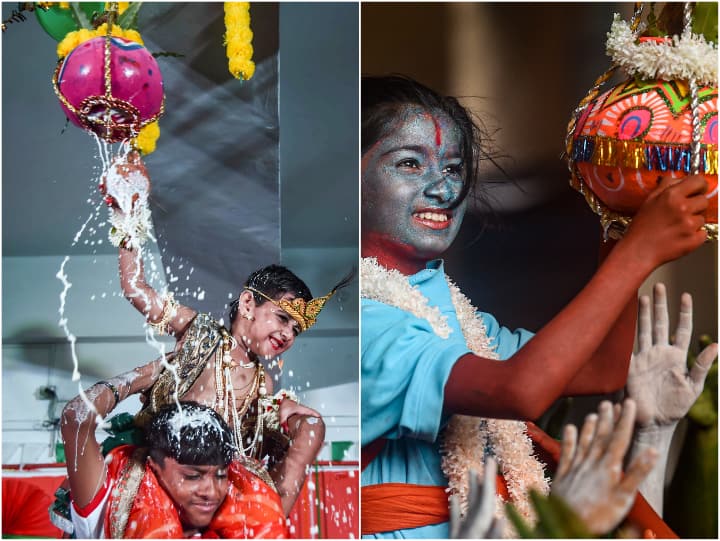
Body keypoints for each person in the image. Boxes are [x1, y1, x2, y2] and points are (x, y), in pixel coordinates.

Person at [360, 75, 710, 538]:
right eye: (409, 163)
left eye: (452, 168)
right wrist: (637, 254)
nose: (442, 190)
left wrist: (620, 221)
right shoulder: (358, 319)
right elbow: (520, 391)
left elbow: (600, 368)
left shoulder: (448, 310)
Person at [103, 150, 350, 515]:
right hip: (155, 481)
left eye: (297, 329)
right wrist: (128, 209)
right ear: (248, 304)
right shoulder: (198, 331)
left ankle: (274, 523)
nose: (288, 334)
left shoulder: (263, 383)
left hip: (204, 498)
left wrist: (298, 426)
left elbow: (255, 446)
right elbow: (136, 289)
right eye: (283, 318)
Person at [60, 366, 287, 538]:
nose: (211, 491)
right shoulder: (111, 497)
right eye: (192, 476)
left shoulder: (250, 508)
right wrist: (144, 374)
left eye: (219, 475)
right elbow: (75, 418)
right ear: (154, 465)